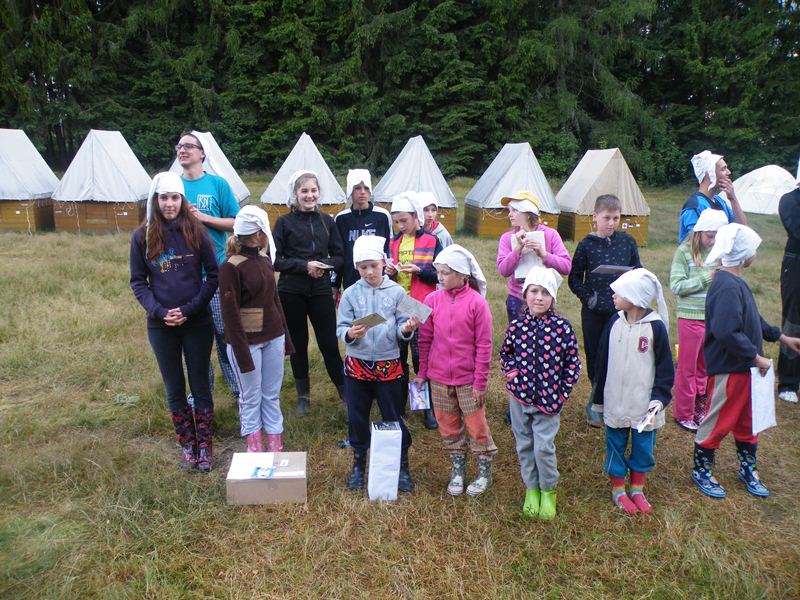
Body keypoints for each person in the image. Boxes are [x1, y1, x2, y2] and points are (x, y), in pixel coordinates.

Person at [691, 224, 800, 499]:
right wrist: (755, 357)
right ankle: (701, 469)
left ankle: (747, 467)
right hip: (730, 369)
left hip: (748, 369)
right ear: (743, 255)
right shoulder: (725, 286)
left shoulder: (736, 282)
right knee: (719, 419)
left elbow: (752, 318)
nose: (756, 254)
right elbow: (726, 331)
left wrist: (781, 337)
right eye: (754, 249)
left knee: (749, 421)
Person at [129, 172, 218, 472]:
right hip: (161, 325)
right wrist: (159, 311)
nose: (169, 204)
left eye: (175, 198)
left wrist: (190, 309)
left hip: (196, 322)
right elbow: (138, 281)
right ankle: (188, 446)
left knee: (200, 383)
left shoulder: (197, 232)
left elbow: (213, 275)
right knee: (174, 386)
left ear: (182, 200)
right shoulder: (142, 236)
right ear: (155, 200)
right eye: (164, 198)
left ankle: (205, 447)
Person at [336, 235, 420, 492]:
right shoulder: (350, 294)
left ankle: (401, 466)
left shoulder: (397, 292)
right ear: (356, 267)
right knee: (357, 416)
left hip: (389, 365)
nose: (369, 272)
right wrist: (350, 334)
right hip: (357, 366)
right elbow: (341, 327)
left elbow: (404, 325)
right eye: (363, 267)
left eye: (373, 265)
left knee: (393, 415)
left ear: (384, 262)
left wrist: (406, 329)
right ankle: (359, 465)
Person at [500, 267, 581, 520]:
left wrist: (562, 393)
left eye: (545, 293)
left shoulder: (562, 328)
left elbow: (573, 364)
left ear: (553, 297)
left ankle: (548, 491)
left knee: (543, 448)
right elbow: (506, 353)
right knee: (524, 445)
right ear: (525, 295)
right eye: (534, 291)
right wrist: (512, 374)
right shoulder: (517, 326)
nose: (539, 297)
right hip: (519, 397)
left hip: (548, 401)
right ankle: (532, 489)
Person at [417, 245, 496, 497]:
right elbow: (424, 339)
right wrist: (422, 373)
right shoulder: (431, 300)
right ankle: (458, 471)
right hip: (439, 378)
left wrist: (479, 383)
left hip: (468, 379)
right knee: (448, 425)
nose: (439, 277)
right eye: (438, 272)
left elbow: (484, 345)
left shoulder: (477, 303)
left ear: (463, 275)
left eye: (446, 272)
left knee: (476, 425)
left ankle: (484, 473)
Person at [593, 269, 674, 515]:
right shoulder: (614, 322)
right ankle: (618, 489)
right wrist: (599, 399)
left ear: (635, 297)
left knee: (643, 447)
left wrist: (659, 399)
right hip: (616, 401)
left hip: (644, 406)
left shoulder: (655, 328)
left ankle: (637, 488)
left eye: (619, 292)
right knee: (615, 443)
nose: (614, 295)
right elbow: (602, 362)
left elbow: (665, 368)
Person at [219, 205, 294, 453]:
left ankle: (274, 443)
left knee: (271, 394)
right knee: (251, 396)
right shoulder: (231, 267)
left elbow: (275, 301)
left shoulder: (264, 260)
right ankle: (254, 447)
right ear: (259, 233)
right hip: (247, 344)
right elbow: (230, 315)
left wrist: (286, 338)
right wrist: (241, 355)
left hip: (274, 338)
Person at [272, 170, 346, 418]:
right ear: (295, 194)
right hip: (291, 291)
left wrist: (323, 265)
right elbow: (276, 260)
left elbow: (339, 256)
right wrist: (304, 266)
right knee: (298, 344)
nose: (310, 195)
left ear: (319, 193)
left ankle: (345, 394)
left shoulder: (327, 221)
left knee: (329, 344)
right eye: (304, 191)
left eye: (313, 190)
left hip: (321, 290)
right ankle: (303, 397)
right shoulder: (283, 223)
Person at [176, 131, 241, 403]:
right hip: (184, 277)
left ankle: (239, 392)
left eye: (189, 146)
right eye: (179, 146)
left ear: (202, 154)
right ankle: (201, 397)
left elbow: (236, 222)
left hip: (215, 274)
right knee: (194, 341)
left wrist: (203, 218)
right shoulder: (173, 186)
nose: (182, 150)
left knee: (225, 335)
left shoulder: (217, 184)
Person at [568, 194, 641, 427]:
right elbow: (574, 278)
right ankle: (596, 400)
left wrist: (632, 298)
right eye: (607, 218)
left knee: (619, 355)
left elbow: (638, 272)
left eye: (616, 218)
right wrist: (589, 299)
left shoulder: (627, 242)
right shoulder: (586, 245)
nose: (611, 223)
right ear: (595, 217)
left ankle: (614, 400)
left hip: (621, 312)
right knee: (596, 355)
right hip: (594, 313)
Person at [385, 191, 443, 429]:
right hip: (399, 306)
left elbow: (440, 274)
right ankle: (399, 406)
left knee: (421, 358)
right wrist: (390, 272)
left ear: (416, 216)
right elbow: (390, 274)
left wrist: (420, 271)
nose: (400, 226)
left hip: (421, 306)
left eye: (404, 220)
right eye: (396, 221)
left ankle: (424, 406)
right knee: (398, 357)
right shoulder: (393, 242)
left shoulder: (432, 241)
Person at [669, 209, 728, 431]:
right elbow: (676, 286)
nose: (713, 241)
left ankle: (699, 408)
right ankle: (683, 413)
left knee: (705, 366)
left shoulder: (718, 253)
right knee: (688, 368)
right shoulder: (683, 252)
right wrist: (706, 277)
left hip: (711, 318)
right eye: (710, 236)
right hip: (689, 318)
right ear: (699, 232)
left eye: (717, 237)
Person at [496, 191, 571, 323]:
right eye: (509, 210)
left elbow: (566, 267)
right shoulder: (507, 238)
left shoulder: (550, 234)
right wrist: (517, 249)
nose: (509, 214)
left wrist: (544, 254)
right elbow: (503, 270)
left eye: (515, 210)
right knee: (519, 334)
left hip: (544, 297)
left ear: (528, 214)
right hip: (517, 297)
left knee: (544, 333)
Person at [332, 169, 393, 295]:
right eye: (357, 188)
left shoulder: (382, 216)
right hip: (351, 282)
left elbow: (389, 249)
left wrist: (390, 279)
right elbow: (338, 254)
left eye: (366, 188)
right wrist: (334, 285)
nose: (363, 192)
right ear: (350, 191)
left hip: (379, 282)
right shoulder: (342, 219)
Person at [677, 150, 747, 243]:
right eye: (723, 169)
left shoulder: (719, 201)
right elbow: (695, 244)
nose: (728, 172)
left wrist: (732, 198)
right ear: (710, 174)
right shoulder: (694, 206)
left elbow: (742, 228)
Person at [777, 174, 800, 403]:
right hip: (796, 265)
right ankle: (788, 382)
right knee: (794, 321)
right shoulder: (789, 200)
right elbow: (797, 229)